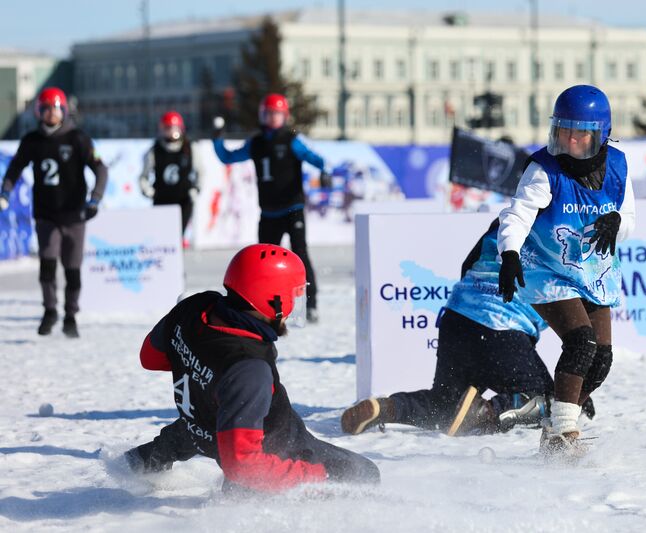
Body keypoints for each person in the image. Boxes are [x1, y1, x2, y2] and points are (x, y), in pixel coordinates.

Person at [123, 244, 379, 493]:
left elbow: (150, 357)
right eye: (293, 295)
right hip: (270, 447)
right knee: (366, 474)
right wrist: (313, 477)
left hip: (199, 428)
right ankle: (239, 500)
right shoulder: (248, 367)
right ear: (273, 300)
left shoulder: (194, 306)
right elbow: (242, 465)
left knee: (195, 433)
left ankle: (130, 465)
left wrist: (203, 370)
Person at [341, 218, 588, 438]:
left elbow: (467, 264)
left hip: (458, 317)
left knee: (446, 404)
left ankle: (387, 408)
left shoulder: (507, 221)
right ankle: (488, 412)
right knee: (555, 400)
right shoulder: (571, 235)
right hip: (502, 328)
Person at [496, 85, 635, 456]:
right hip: (545, 268)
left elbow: (631, 217)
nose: (570, 139)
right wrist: (509, 251)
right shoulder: (545, 170)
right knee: (580, 342)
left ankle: (555, 418)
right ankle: (562, 433)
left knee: (601, 360)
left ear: (601, 134)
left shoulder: (619, 165)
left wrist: (616, 222)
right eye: (564, 130)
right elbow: (519, 213)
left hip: (591, 272)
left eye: (581, 132)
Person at [212, 94, 331, 324]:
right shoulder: (256, 143)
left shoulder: (290, 140)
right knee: (262, 265)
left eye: (276, 114)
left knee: (300, 254)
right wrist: (217, 138)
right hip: (268, 212)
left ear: (284, 116)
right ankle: (263, 306)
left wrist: (324, 170)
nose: (272, 118)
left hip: (292, 208)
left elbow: (314, 158)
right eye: (268, 113)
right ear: (261, 115)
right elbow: (228, 156)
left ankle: (311, 303)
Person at [0, 87, 108, 338]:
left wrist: (95, 199)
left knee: (72, 268)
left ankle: (71, 315)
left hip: (74, 214)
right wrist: (5, 191)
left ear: (64, 110)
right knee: (47, 264)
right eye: (45, 108)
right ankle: (49, 311)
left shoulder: (78, 138)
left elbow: (101, 169)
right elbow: (15, 168)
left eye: (55, 108)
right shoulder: (32, 141)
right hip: (46, 214)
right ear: (39, 111)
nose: (50, 114)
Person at [139, 111, 202, 240]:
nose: (170, 132)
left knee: (177, 236)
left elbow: (200, 171)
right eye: (166, 128)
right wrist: (149, 191)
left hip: (183, 200)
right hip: (162, 200)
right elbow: (143, 177)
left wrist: (196, 189)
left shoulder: (190, 148)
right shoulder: (154, 151)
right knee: (162, 237)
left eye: (173, 128)